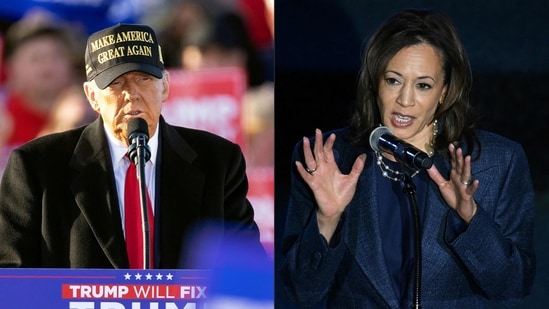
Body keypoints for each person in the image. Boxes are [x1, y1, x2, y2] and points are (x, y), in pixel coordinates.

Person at [279, 9, 536, 308]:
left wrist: (471, 220)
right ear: (376, 83)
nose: (405, 100)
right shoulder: (327, 159)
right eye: (393, 80)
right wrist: (327, 219)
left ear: (445, 91)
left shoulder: (496, 162)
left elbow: (513, 286)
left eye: (423, 85)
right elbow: (300, 294)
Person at [0, 23, 265, 269]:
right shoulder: (36, 166)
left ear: (165, 87)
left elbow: (245, 270)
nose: (132, 94)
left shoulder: (218, 160)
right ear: (92, 96)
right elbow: (11, 276)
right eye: (116, 83)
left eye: (144, 79)